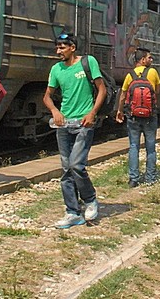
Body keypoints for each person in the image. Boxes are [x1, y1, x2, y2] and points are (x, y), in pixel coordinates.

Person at [42, 33, 106, 229]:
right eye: (57, 47)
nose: (58, 51)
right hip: (64, 125)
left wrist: (93, 112)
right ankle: (72, 213)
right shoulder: (56, 69)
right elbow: (47, 96)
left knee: (76, 164)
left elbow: (101, 89)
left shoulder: (88, 62)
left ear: (72, 48)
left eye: (62, 47)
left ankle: (90, 199)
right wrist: (54, 110)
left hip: (84, 124)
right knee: (66, 169)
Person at [116, 48, 160, 188]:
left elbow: (123, 96)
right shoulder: (153, 72)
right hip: (150, 116)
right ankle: (150, 178)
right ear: (142, 60)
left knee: (134, 146)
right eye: (149, 58)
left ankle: (133, 179)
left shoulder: (130, 75)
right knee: (151, 147)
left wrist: (119, 111)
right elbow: (157, 91)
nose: (151, 60)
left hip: (133, 117)